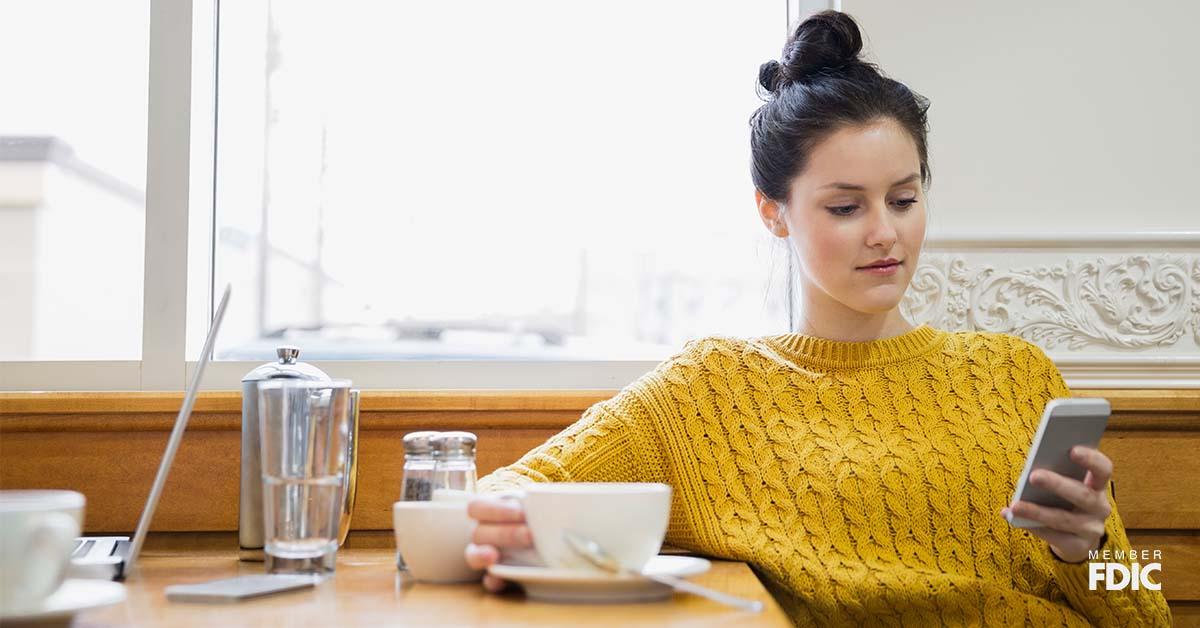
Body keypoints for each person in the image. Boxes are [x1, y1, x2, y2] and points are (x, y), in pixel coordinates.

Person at [463, 10, 1172, 626]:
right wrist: (539, 537)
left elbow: (1144, 603)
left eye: (903, 199)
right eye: (845, 206)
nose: (884, 233)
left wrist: (1091, 551)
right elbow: (498, 499)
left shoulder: (1018, 374)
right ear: (773, 213)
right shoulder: (708, 392)